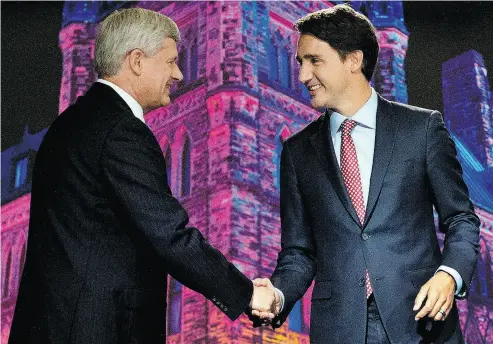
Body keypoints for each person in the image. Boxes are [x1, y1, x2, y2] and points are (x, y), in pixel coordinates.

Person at [9, 8, 274, 344]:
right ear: (136, 61)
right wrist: (249, 294)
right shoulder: (121, 131)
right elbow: (169, 235)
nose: (178, 73)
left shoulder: (71, 124)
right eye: (169, 61)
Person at [252, 4, 480, 344]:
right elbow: (298, 252)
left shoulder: (422, 128)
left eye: (314, 61)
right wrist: (279, 295)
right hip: (339, 329)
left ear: (353, 60)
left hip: (421, 324)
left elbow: (461, 218)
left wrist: (449, 276)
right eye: (301, 62)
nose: (302, 75)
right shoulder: (297, 151)